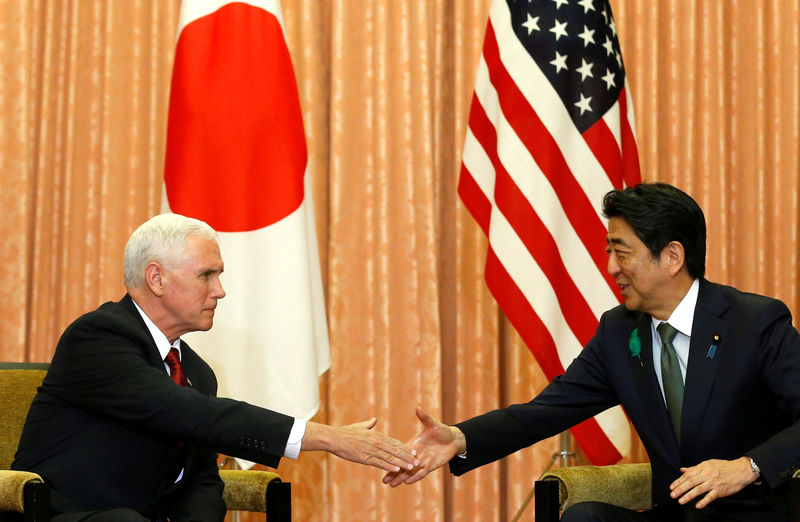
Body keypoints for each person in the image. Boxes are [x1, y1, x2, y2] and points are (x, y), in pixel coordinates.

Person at [383, 183, 800, 521]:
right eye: (609, 253)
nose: (612, 268)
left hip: (754, 512)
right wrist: (459, 438)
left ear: (672, 256)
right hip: (674, 515)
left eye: (622, 253)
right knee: (584, 517)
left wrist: (746, 467)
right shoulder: (620, 333)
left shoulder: (754, 322)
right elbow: (547, 410)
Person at [12, 213, 418, 522]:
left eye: (219, 275)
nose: (220, 291)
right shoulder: (98, 338)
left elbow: (201, 479)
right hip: (66, 514)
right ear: (156, 278)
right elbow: (183, 411)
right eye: (207, 275)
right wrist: (326, 438)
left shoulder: (197, 371)